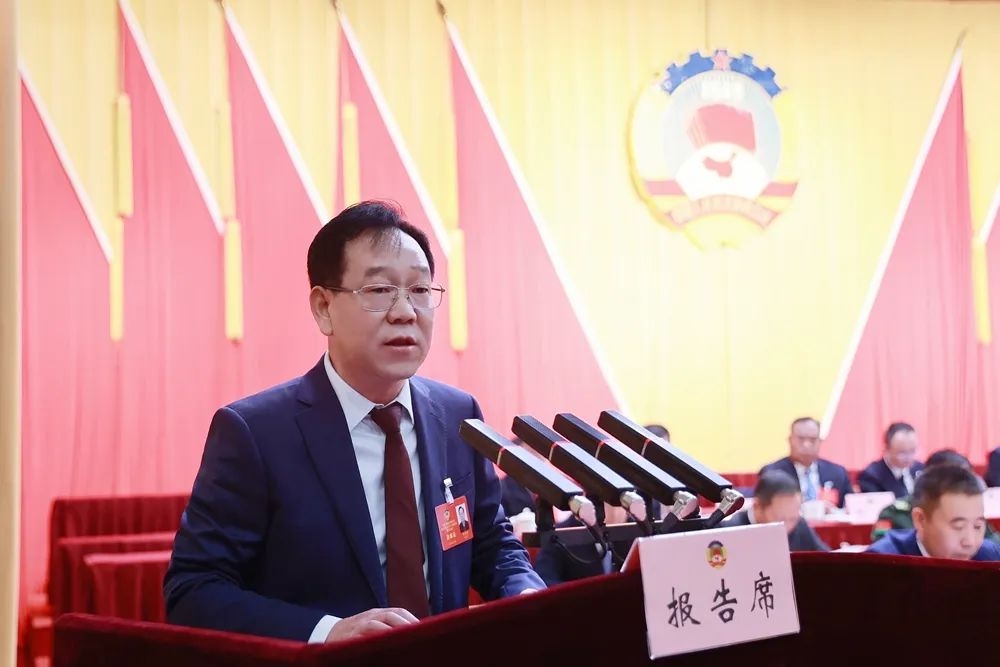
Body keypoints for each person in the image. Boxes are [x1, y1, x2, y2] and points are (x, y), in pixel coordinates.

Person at [164, 201, 544, 643]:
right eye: (379, 290)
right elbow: (194, 591)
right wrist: (328, 633)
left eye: (420, 290)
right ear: (323, 307)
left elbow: (491, 543)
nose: (405, 311)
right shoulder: (255, 433)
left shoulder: (457, 415)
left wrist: (525, 592)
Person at [866, 464, 1000, 561]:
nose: (970, 541)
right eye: (958, 527)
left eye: (977, 526)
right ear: (920, 520)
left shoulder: (990, 556)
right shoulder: (883, 561)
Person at [871, 449, 1000, 544]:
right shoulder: (894, 513)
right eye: (957, 484)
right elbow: (882, 555)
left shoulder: (970, 513)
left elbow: (994, 545)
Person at [722, 470, 829, 552]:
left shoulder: (799, 525)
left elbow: (825, 559)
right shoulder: (730, 531)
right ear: (757, 506)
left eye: (792, 519)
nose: (787, 527)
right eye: (781, 520)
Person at [759, 417, 853, 509]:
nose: (806, 444)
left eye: (812, 439)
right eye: (801, 439)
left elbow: (851, 507)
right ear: (790, 440)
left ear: (820, 441)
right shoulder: (773, 473)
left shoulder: (837, 473)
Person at [857, 422, 924, 498]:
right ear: (886, 449)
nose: (909, 457)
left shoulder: (921, 469)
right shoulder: (871, 476)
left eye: (912, 451)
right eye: (902, 452)